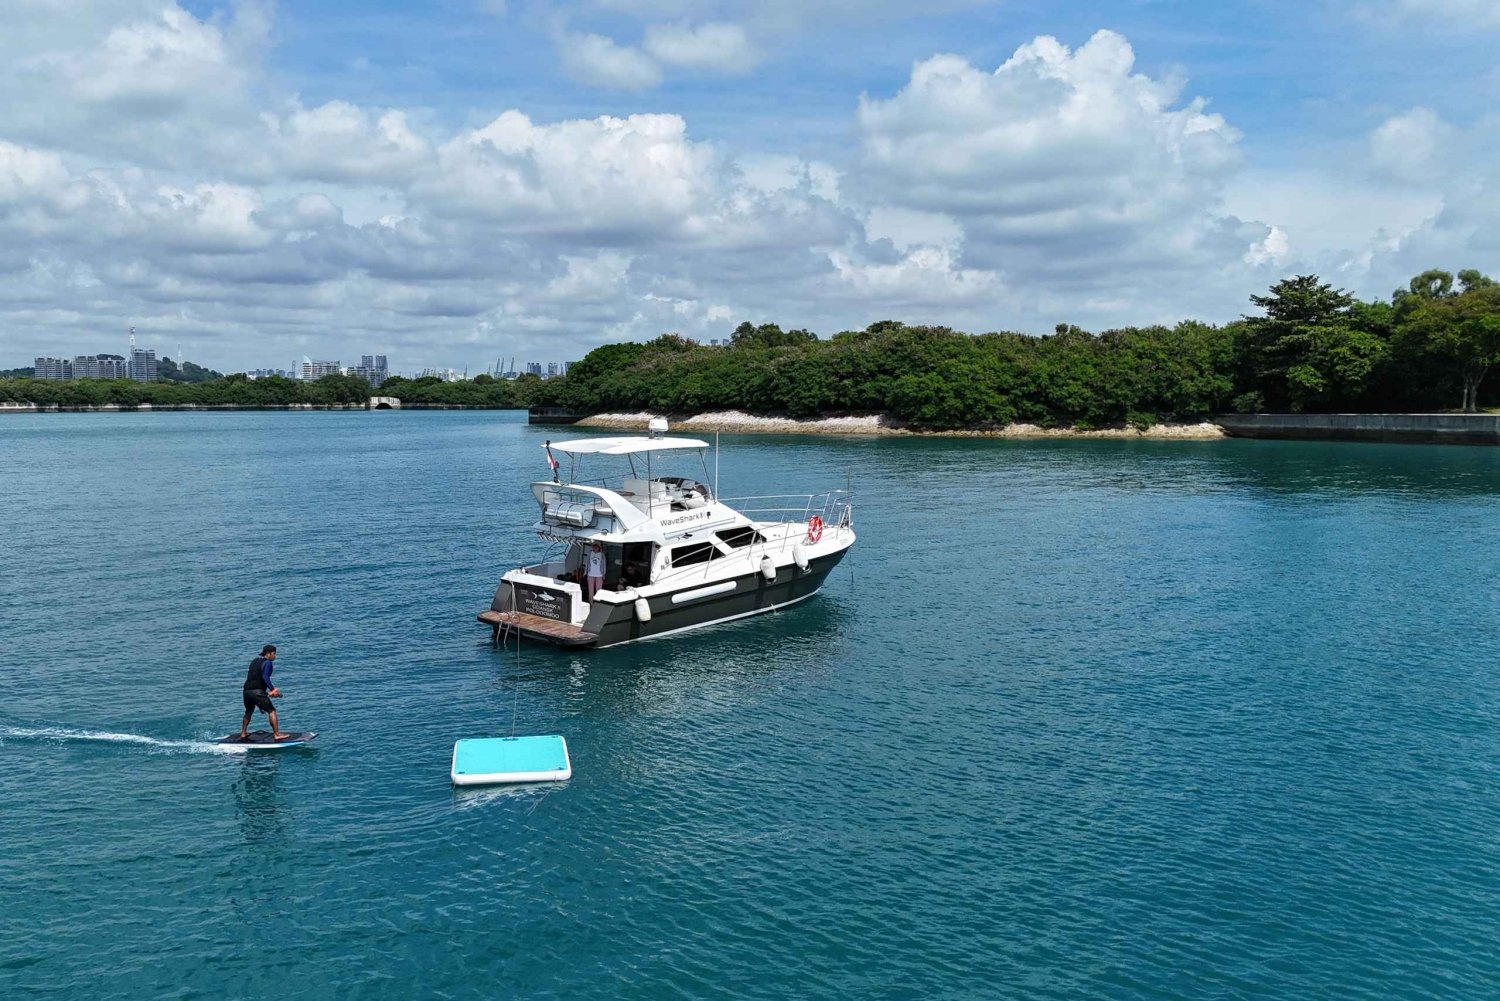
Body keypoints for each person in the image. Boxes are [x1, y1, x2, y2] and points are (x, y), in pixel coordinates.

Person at [240, 644, 293, 741]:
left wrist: (263, 697)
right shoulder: (268, 663)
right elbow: (265, 677)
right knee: (272, 711)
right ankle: (277, 734)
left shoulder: (254, 661)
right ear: (268, 654)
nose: (275, 656)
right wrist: (272, 689)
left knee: (248, 712)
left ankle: (243, 733)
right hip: (257, 692)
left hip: (246, 691)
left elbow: (254, 678)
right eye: (274, 654)